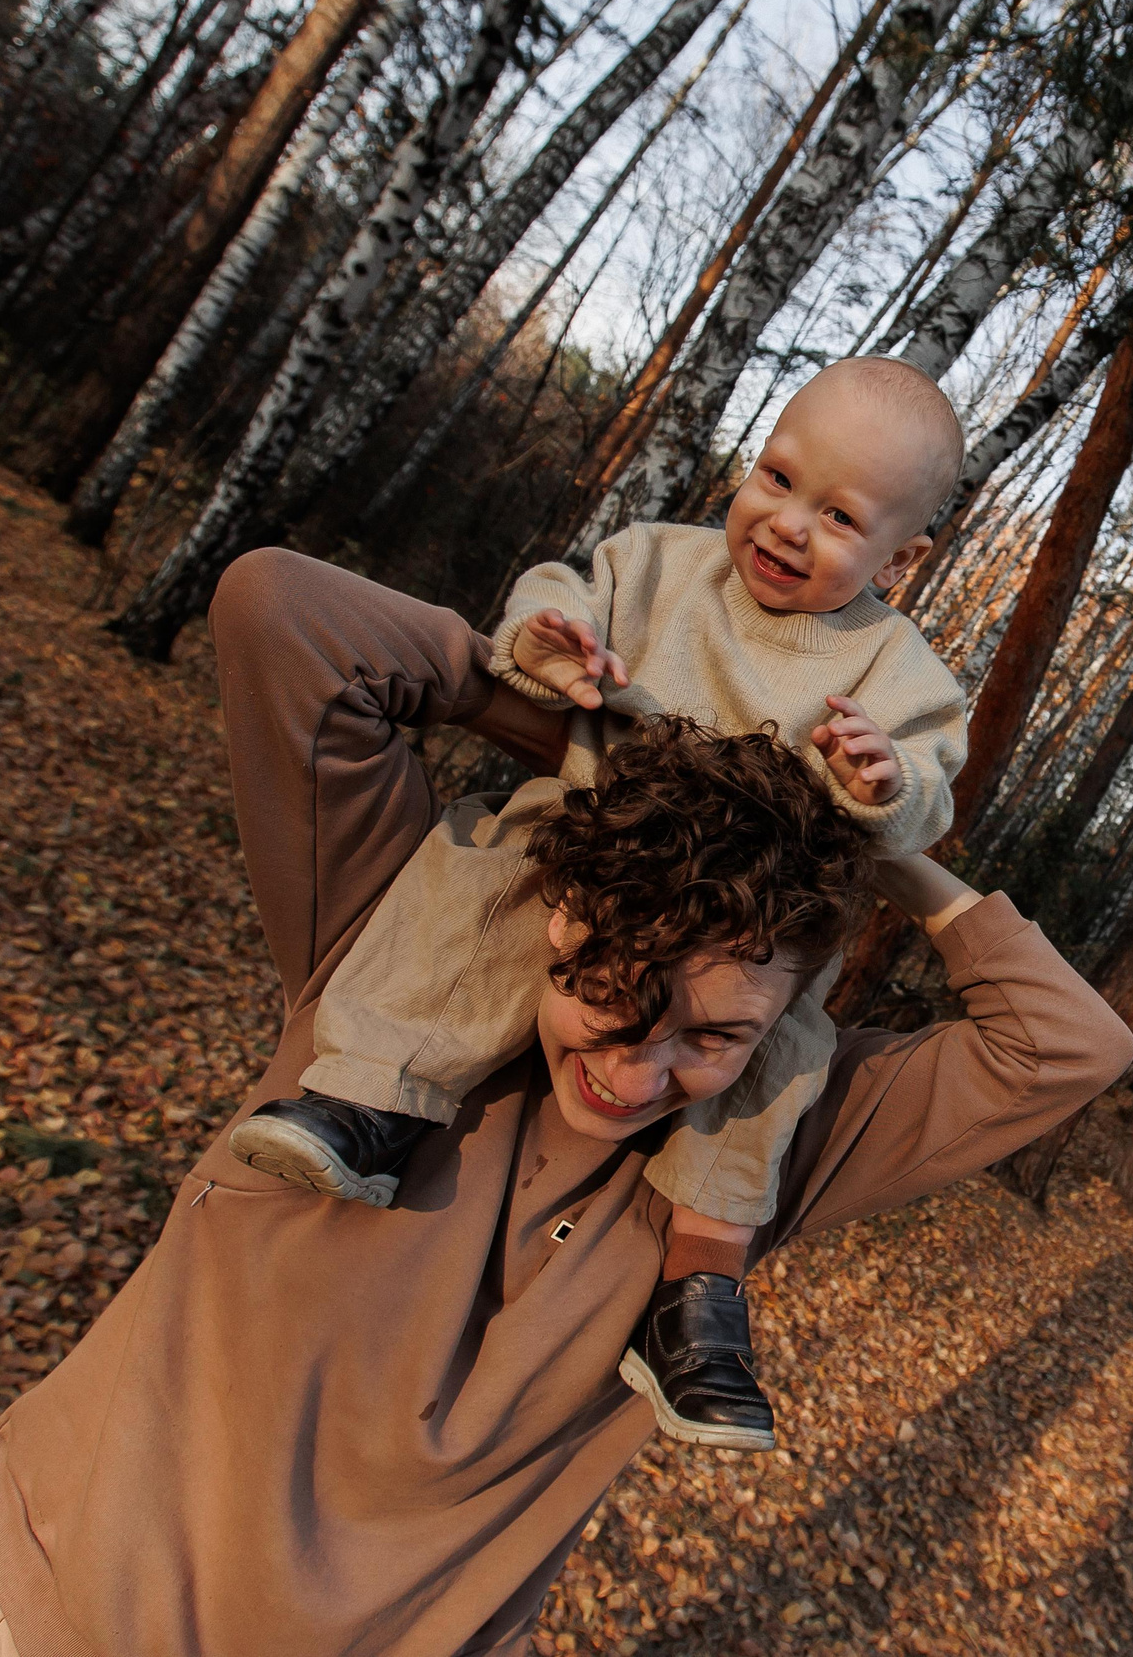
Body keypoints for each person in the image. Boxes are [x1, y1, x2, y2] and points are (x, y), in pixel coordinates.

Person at [0, 548, 1130, 1657]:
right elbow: (279, 611)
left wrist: (860, 848)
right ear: (554, 908)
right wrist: (611, 761)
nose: (640, 1074)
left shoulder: (771, 1140)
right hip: (72, 1606)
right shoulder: (389, 947)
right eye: (612, 993)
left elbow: (1070, 1046)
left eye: (716, 1034)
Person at [227, 355, 970, 1449]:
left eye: (839, 516)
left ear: (900, 559)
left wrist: (886, 781)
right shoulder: (660, 562)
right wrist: (545, 642)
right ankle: (375, 1098)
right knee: (481, 885)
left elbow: (925, 802)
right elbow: (556, 597)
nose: (786, 522)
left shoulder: (899, 671)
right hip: (590, 841)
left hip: (747, 928)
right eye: (777, 477)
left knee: (776, 1053)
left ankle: (697, 1292)